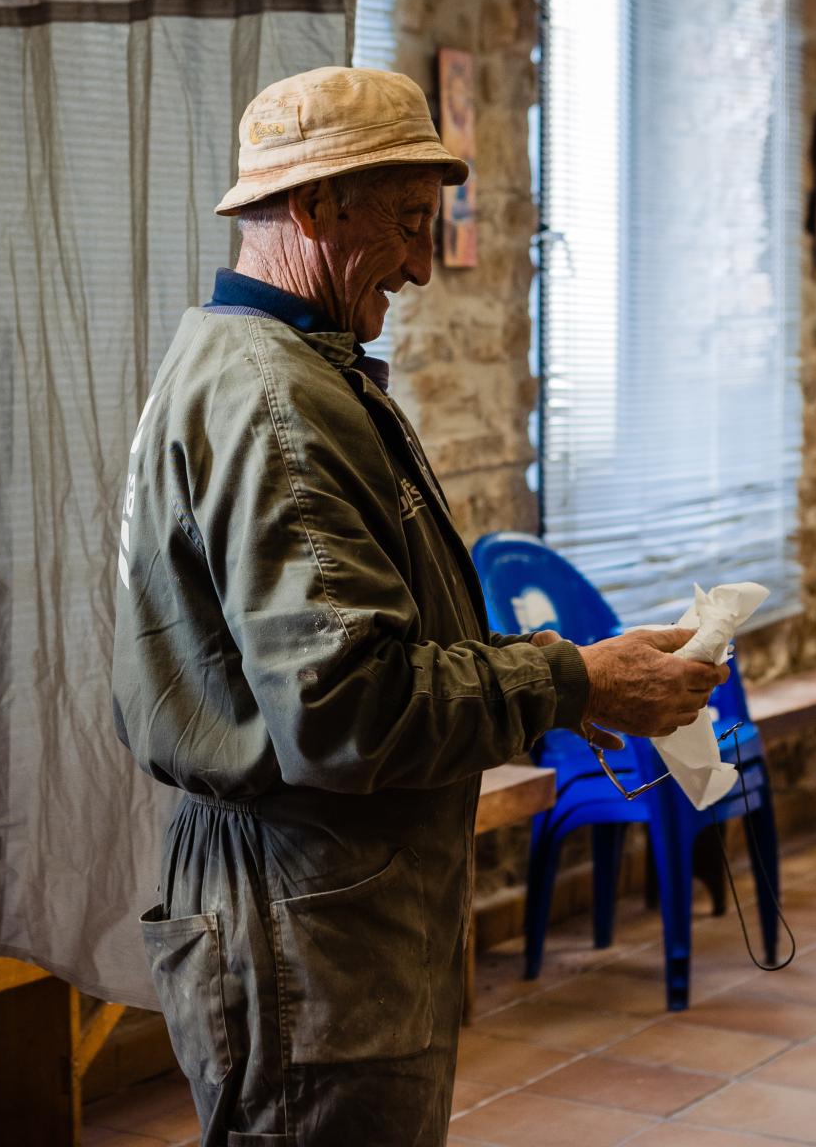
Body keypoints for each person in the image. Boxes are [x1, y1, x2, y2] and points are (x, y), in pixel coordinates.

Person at [109, 66, 726, 1145]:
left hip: (320, 900)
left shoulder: (275, 363)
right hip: (304, 918)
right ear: (314, 206)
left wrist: (567, 678)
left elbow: (364, 644)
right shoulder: (277, 402)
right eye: (404, 223)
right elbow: (347, 705)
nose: (420, 265)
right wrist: (573, 679)